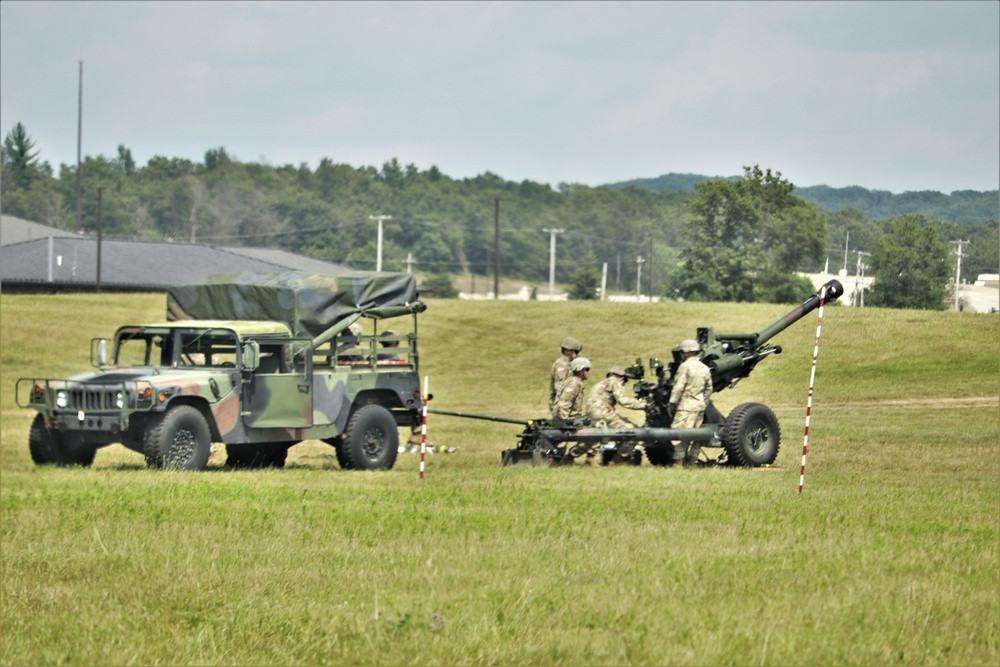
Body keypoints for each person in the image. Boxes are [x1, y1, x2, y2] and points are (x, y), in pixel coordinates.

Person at [585, 365, 647, 465]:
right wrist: (644, 405)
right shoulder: (615, 381)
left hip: (592, 414)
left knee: (601, 433)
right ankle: (618, 458)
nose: (624, 384)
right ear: (621, 377)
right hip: (604, 413)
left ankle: (590, 457)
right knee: (634, 431)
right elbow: (623, 401)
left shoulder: (600, 384)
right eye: (625, 380)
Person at [669, 339, 714, 467]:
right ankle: (691, 463)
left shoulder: (684, 367)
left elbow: (678, 387)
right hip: (699, 407)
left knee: (679, 435)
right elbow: (709, 389)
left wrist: (672, 404)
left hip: (685, 407)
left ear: (687, 353)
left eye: (682, 353)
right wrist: (702, 402)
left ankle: (678, 464)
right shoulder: (705, 368)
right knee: (696, 436)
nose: (681, 355)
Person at [549, 336, 583, 417]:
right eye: (576, 352)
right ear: (567, 350)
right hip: (562, 407)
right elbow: (560, 388)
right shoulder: (561, 365)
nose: (577, 355)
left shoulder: (568, 365)